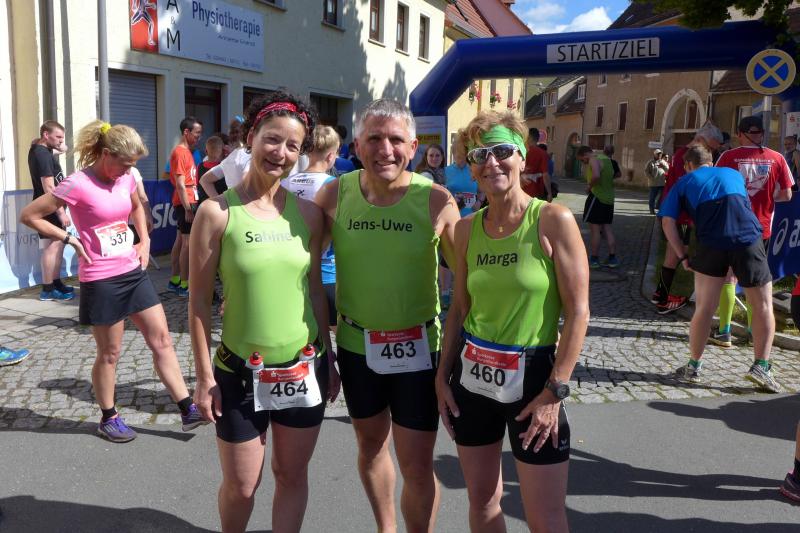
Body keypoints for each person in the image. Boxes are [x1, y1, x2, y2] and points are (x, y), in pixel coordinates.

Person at [189, 92, 339, 533]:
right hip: (239, 372)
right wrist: (203, 376)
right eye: (272, 139)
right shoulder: (216, 213)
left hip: (302, 367)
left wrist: (329, 359)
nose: (281, 153)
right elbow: (198, 303)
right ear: (251, 138)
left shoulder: (309, 215)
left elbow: (315, 291)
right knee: (242, 486)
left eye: (293, 146)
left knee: (291, 476)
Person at [436, 110, 589, 532]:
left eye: (502, 151)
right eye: (479, 155)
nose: (491, 163)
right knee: (483, 503)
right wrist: (441, 378)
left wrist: (555, 391)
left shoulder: (552, 219)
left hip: (536, 380)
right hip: (473, 377)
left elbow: (578, 311)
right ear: (471, 167)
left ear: (522, 156)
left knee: (545, 516)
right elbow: (459, 309)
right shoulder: (466, 229)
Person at [314, 99, 460, 532]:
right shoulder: (334, 195)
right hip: (357, 347)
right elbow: (300, 270)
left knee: (416, 463)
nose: (385, 149)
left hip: (420, 350)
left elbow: (472, 282)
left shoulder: (435, 200)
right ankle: (386, 528)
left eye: (396, 139)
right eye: (374, 138)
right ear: (357, 145)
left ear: (413, 147)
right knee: (371, 446)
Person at [20, 120, 206, 442]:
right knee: (110, 353)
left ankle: (187, 407)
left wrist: (144, 241)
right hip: (101, 278)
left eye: (133, 165)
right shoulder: (78, 183)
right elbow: (29, 215)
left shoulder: (126, 178)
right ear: (107, 154)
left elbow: (136, 208)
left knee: (162, 340)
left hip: (132, 272)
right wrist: (70, 239)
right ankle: (109, 417)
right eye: (125, 164)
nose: (129, 171)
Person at [661, 145, 780, 392]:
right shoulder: (733, 174)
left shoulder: (684, 182)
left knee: (704, 308)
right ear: (711, 161)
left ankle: (694, 366)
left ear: (688, 165)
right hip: (748, 238)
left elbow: (667, 221)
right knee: (763, 305)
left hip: (711, 241)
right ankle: (761, 366)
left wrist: (682, 255)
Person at [711, 116, 794, 347]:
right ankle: (752, 332)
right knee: (755, 282)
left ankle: (724, 331)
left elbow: (716, 190)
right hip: (761, 229)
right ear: (763, 133)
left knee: (729, 277)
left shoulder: (727, 157)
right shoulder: (777, 158)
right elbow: (787, 195)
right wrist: (768, 197)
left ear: (740, 134)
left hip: (732, 227)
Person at [652, 122, 723, 314]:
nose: (711, 153)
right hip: (679, 214)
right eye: (710, 148)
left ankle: (660, 294)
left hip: (679, 213)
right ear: (700, 139)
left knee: (675, 254)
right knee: (674, 255)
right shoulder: (688, 157)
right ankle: (663, 300)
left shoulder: (684, 153)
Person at [282, 125, 340, 333]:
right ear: (331, 156)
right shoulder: (334, 185)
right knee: (338, 334)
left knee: (302, 334)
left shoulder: (285, 183)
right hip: (326, 272)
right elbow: (333, 231)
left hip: (292, 269)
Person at [28, 121, 74, 301]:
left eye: (62, 137)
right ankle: (47, 289)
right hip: (49, 209)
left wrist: (57, 142)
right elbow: (49, 187)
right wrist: (61, 213)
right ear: (46, 135)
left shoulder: (42, 149)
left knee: (58, 246)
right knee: (52, 247)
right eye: (58, 137)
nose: (61, 141)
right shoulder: (42, 155)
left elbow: (64, 149)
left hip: (52, 207)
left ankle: (56, 283)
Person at [166, 117, 202, 297]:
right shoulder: (180, 152)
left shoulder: (187, 151)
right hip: (186, 201)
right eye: (196, 134)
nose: (198, 137)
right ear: (186, 132)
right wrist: (188, 208)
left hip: (187, 199)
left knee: (180, 241)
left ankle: (175, 280)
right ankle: (184, 284)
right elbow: (180, 184)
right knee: (187, 243)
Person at [577, 145, 619, 268]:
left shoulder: (593, 159)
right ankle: (612, 258)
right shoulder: (607, 160)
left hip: (597, 198)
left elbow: (596, 175)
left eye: (582, 160)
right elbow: (613, 176)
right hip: (609, 199)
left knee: (595, 231)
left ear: (585, 154)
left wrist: (589, 187)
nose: (584, 163)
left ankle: (594, 259)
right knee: (607, 229)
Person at [521, 128, 551, 202]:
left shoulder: (520, 152)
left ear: (529, 138)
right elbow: (545, 175)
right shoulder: (542, 154)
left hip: (520, 189)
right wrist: (549, 193)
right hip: (536, 191)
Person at [197, 136, 224, 204]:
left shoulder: (200, 166)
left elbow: (197, 184)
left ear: (206, 151)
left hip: (204, 203)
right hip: (220, 204)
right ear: (222, 151)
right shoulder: (223, 167)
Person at [645, 149, 669, 215]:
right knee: (652, 197)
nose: (659, 156)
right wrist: (651, 178)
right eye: (658, 154)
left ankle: (659, 208)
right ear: (655, 155)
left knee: (662, 197)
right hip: (653, 183)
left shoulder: (663, 162)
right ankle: (651, 210)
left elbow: (668, 169)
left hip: (662, 183)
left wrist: (663, 166)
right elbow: (646, 172)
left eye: (660, 154)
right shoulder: (650, 162)